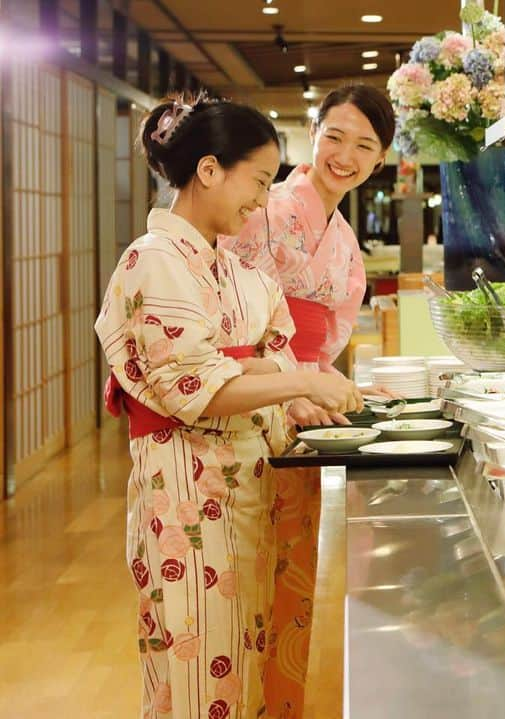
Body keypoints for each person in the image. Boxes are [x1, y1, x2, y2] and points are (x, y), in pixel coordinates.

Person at [95, 94, 364, 719]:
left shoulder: (239, 272)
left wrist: (275, 375)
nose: (262, 201)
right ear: (210, 170)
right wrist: (292, 381)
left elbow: (274, 352)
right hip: (190, 492)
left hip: (256, 483)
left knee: (258, 653)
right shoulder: (153, 260)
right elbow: (199, 389)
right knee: (199, 669)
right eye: (259, 181)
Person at [218, 83, 396, 717]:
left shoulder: (346, 241)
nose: (344, 155)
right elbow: (235, 311)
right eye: (335, 136)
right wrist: (292, 383)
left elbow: (331, 336)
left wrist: (328, 385)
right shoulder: (267, 208)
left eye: (364, 145)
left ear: (381, 161)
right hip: (250, 400)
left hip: (303, 411)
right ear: (314, 134)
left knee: (292, 572)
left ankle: (282, 705)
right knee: (237, 585)